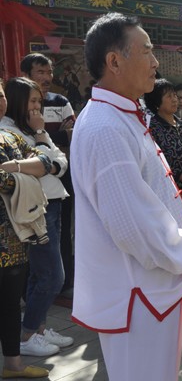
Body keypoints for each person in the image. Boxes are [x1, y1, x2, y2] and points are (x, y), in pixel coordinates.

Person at [71, 12, 182, 381]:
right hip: (137, 295)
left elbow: (151, 200)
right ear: (114, 62)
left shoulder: (122, 115)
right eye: (147, 51)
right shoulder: (105, 126)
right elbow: (132, 223)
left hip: (151, 285)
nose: (157, 63)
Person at [1, 77, 73, 357]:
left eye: (39, 102)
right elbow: (44, 165)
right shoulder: (9, 131)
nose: (36, 107)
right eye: (32, 101)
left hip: (52, 204)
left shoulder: (33, 129)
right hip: (34, 210)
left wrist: (43, 145)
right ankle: (29, 332)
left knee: (40, 275)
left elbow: (60, 163)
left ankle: (37, 329)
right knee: (53, 276)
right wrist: (43, 145)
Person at [0, 78, 52, 379]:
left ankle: (13, 363)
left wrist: (16, 169)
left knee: (9, 303)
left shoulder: (9, 137)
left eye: (1, 95)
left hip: (14, 235)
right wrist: (24, 172)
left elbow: (46, 161)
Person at [21, 53, 76, 296]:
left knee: (62, 228)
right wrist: (55, 139)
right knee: (33, 233)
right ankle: (35, 287)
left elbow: (73, 135)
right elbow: (27, 142)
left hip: (61, 175)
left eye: (49, 72)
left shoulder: (61, 101)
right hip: (32, 180)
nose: (46, 77)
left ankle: (62, 282)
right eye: (40, 72)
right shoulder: (18, 106)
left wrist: (45, 137)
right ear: (27, 74)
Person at [145, 79, 182, 217]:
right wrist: (180, 177)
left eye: (174, 95)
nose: (175, 99)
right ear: (156, 102)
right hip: (171, 192)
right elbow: (155, 162)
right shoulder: (153, 128)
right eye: (169, 96)